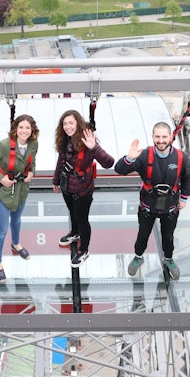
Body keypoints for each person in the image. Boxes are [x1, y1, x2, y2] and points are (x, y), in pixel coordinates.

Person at [115, 121, 190, 279]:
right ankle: (138, 257)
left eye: (164, 136)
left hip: (170, 206)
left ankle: (169, 258)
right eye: (157, 136)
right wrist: (129, 158)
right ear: (152, 137)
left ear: (171, 137)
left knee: (168, 237)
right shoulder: (144, 156)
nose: (161, 140)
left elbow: (187, 177)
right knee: (143, 235)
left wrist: (184, 198)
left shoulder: (180, 157)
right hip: (148, 206)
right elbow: (119, 170)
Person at [52, 109, 114, 267]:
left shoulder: (88, 141)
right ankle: (74, 233)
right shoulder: (64, 141)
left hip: (82, 190)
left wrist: (94, 148)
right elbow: (61, 162)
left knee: (82, 219)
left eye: (71, 123)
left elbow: (108, 163)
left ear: (78, 123)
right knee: (72, 212)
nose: (67, 127)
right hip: (67, 185)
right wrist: (56, 181)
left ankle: (84, 249)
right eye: (65, 124)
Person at [0, 114, 38, 281]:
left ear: (32, 130)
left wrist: (31, 172)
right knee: (1, 230)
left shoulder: (33, 144)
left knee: (17, 219)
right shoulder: (4, 145)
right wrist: (1, 178)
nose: (24, 131)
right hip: (2, 193)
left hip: (21, 191)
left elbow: (32, 161)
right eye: (21, 127)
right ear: (15, 129)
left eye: (27, 128)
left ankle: (16, 243)